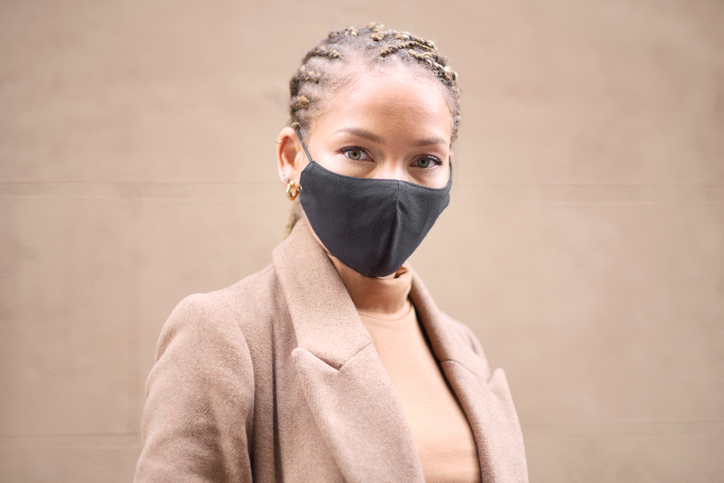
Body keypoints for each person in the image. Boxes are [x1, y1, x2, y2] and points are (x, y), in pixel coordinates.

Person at [135, 22, 528, 483]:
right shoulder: (223, 334)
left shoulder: (462, 346)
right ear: (290, 157)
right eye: (358, 151)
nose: (393, 185)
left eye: (424, 160)